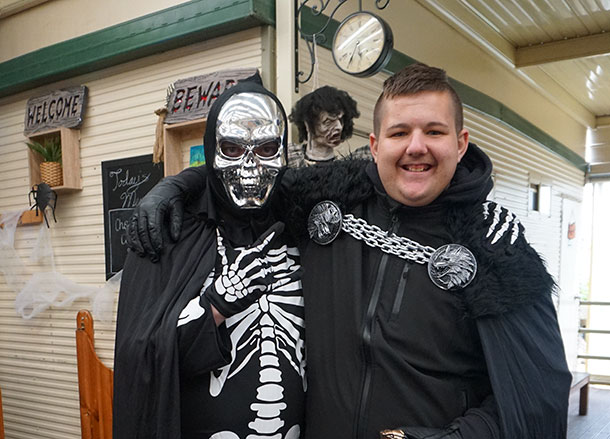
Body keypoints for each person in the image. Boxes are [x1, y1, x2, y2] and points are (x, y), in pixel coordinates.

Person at [127, 63, 571, 439]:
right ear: (375, 145)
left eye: (434, 131)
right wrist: (175, 186)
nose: (416, 146)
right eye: (399, 132)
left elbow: (537, 393)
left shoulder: (495, 247)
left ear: (460, 142)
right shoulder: (328, 200)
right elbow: (249, 181)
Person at [113, 74, 305, 439]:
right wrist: (215, 306)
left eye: (266, 149)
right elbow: (140, 365)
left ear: (283, 152)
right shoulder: (172, 233)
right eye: (232, 149)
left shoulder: (302, 225)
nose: (250, 168)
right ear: (212, 150)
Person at [287, 85, 360, 167]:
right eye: (328, 122)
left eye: (341, 120)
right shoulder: (288, 159)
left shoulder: (346, 166)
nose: (339, 127)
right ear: (308, 124)